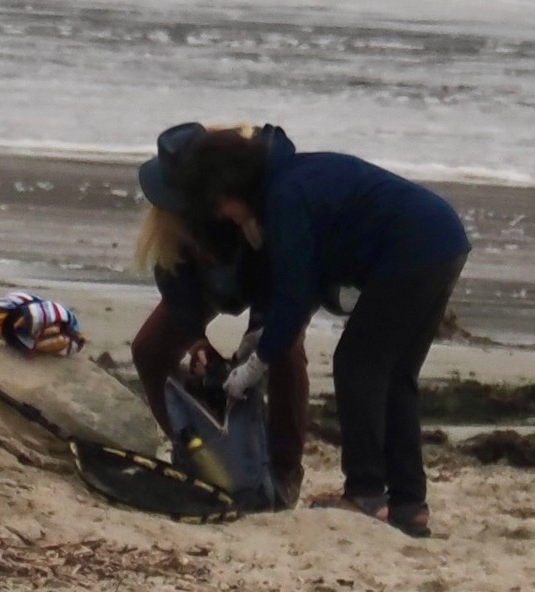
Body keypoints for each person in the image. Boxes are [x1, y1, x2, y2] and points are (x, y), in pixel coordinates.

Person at [177, 126, 470, 537]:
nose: (220, 214)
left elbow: (295, 294)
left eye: (218, 203)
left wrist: (255, 365)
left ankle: (365, 493)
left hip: (412, 248)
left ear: (232, 186)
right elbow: (305, 282)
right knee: (397, 375)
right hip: (444, 239)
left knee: (357, 364)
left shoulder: (284, 197)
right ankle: (409, 503)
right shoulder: (294, 179)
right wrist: (262, 339)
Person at [133, 122, 309, 508]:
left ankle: (284, 469)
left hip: (270, 279)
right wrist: (199, 343)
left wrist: (260, 340)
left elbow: (285, 280)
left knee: (285, 348)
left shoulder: (254, 199)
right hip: (212, 284)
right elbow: (177, 286)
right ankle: (193, 449)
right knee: (149, 349)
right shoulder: (173, 224)